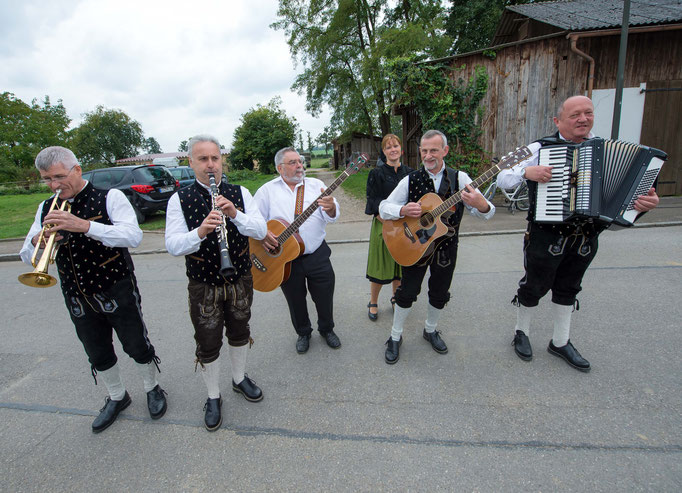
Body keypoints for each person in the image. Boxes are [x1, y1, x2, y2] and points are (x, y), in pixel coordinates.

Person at [496, 95, 660, 372]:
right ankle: (521, 332)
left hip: (586, 237)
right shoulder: (541, 147)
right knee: (534, 286)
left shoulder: (606, 150)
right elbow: (502, 176)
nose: (583, 119)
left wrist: (644, 205)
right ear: (558, 121)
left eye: (588, 113)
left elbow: (627, 203)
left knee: (569, 287)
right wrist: (527, 171)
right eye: (575, 115)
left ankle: (560, 341)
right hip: (545, 235)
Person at [20, 146, 167, 433]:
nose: (53, 185)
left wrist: (85, 225)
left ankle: (152, 387)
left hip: (116, 286)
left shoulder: (109, 197)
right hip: (76, 292)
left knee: (136, 344)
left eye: (59, 176)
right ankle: (117, 396)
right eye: (47, 179)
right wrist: (39, 238)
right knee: (96, 351)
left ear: (77, 169)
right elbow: (27, 254)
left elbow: (132, 236)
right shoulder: (45, 207)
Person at [165, 135, 267, 431]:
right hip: (203, 282)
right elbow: (173, 245)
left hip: (240, 278)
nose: (211, 165)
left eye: (215, 158)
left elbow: (259, 229)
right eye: (203, 159)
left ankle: (238, 379)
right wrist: (199, 231)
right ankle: (213, 395)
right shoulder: (179, 199)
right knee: (208, 341)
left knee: (240, 330)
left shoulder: (240, 192)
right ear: (191, 163)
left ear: (222, 160)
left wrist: (234, 214)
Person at [379, 130, 495, 364]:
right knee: (407, 292)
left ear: (445, 151)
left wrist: (482, 205)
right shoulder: (409, 179)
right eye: (424, 150)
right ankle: (395, 336)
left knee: (440, 292)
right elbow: (383, 207)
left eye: (434, 150)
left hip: (447, 247)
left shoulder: (461, 179)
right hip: (415, 246)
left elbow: (487, 213)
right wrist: (402, 210)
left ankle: (430, 330)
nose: (428, 155)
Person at [253, 147, 341, 354]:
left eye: (300, 161)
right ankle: (303, 332)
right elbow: (254, 221)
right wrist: (263, 235)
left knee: (324, 295)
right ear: (279, 168)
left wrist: (331, 208)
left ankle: (327, 329)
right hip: (284, 259)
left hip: (317, 254)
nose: (300, 165)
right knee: (295, 299)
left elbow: (333, 216)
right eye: (292, 162)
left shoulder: (316, 185)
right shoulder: (267, 191)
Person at [365, 134, 410, 321]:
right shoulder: (377, 174)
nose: (393, 150)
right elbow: (373, 201)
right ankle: (373, 301)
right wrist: (388, 223)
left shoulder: (410, 172)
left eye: (395, 146)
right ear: (384, 151)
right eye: (388, 147)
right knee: (379, 267)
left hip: (406, 225)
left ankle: (395, 297)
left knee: (399, 265)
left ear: (401, 149)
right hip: (383, 224)